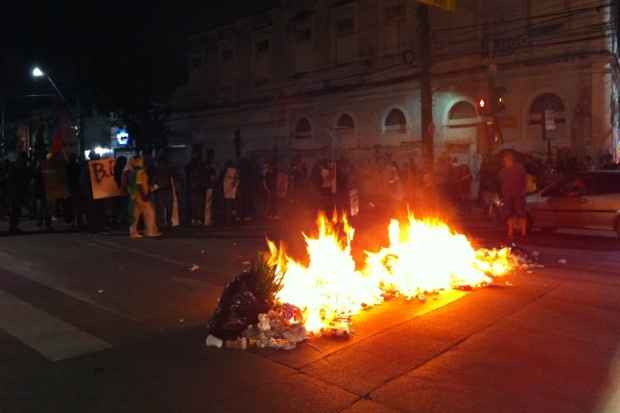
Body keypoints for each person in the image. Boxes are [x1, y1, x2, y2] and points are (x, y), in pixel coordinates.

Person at [126, 155, 161, 239]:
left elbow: (127, 184)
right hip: (141, 195)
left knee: (135, 214)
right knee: (149, 213)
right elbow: (141, 184)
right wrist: (146, 193)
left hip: (133, 195)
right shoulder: (140, 172)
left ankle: (133, 232)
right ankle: (150, 231)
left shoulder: (130, 172)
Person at [498, 152, 528, 240]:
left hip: (517, 194)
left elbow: (524, 180)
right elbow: (500, 181)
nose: (505, 162)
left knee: (520, 212)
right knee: (510, 213)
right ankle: (511, 231)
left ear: (510, 160)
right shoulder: (505, 170)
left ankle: (522, 231)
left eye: (506, 160)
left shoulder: (518, 169)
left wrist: (523, 190)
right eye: (505, 160)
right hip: (509, 195)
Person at [222, 161, 240, 226]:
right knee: (232, 206)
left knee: (229, 206)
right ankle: (231, 220)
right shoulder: (233, 171)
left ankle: (229, 220)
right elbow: (237, 179)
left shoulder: (226, 172)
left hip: (229, 191)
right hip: (231, 192)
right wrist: (235, 185)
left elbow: (236, 180)